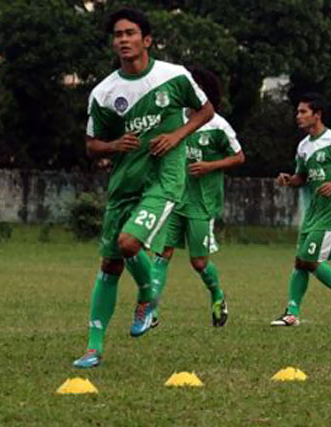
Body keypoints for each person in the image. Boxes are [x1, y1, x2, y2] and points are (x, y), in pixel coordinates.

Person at [74, 8, 214, 368]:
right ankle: (93, 347)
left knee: (129, 243)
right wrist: (113, 145)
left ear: (147, 40)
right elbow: (91, 145)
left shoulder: (174, 76)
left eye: (130, 33)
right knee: (109, 264)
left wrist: (177, 134)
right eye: (118, 34)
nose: (123, 39)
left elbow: (206, 110)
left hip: (164, 180)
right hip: (125, 184)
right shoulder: (104, 92)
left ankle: (149, 295)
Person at [151, 68, 245, 328]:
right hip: (173, 198)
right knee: (162, 254)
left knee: (199, 261)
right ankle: (151, 310)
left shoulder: (218, 125)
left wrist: (209, 166)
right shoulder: (175, 119)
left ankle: (218, 296)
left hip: (202, 203)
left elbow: (239, 157)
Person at [270, 93, 331, 326]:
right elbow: (302, 177)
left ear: (317, 114)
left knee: (309, 259)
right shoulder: (303, 147)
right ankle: (292, 313)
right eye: (298, 112)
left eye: (303, 112)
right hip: (315, 210)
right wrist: (288, 180)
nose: (298, 116)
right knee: (300, 261)